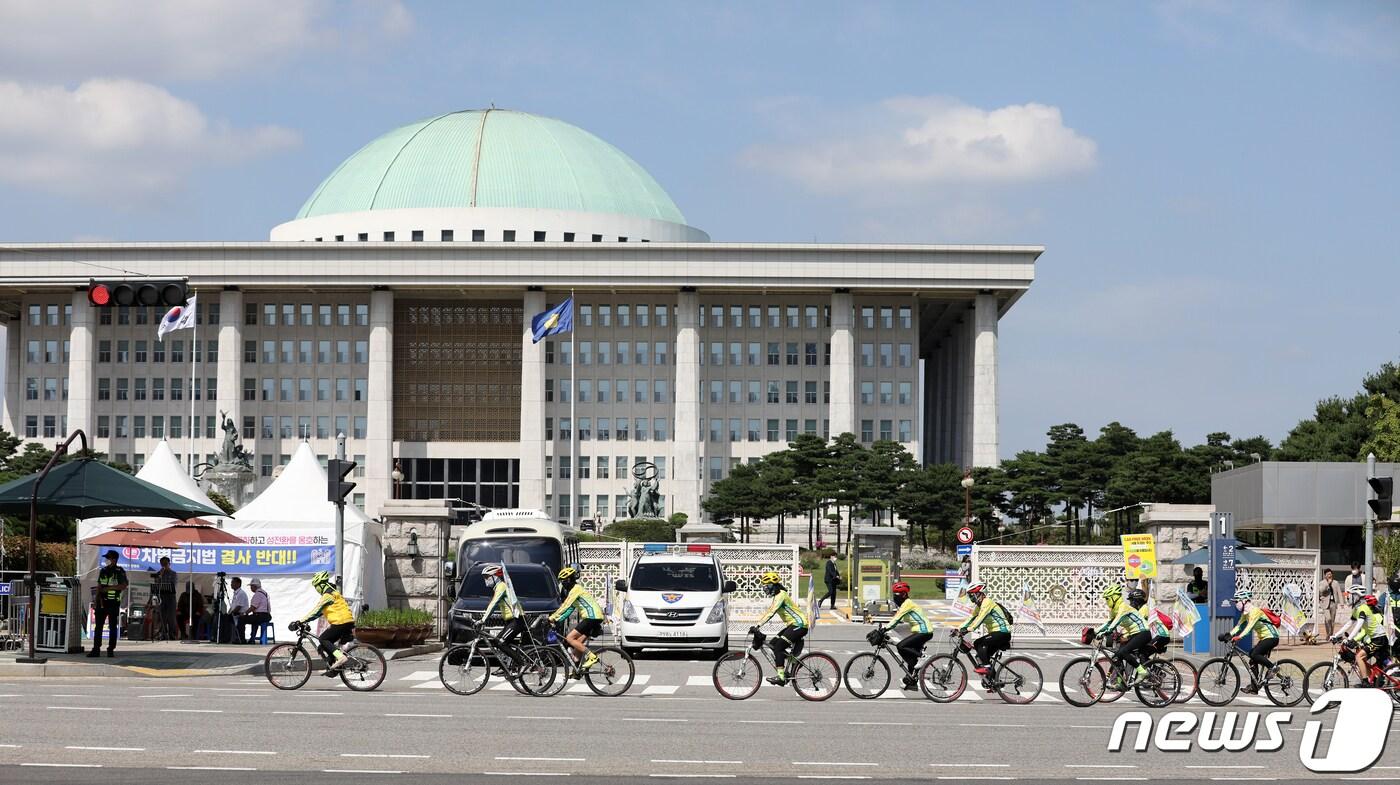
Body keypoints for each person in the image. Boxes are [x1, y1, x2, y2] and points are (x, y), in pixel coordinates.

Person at [751, 570, 808, 686]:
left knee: (778, 647)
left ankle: (781, 677)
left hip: (800, 625)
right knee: (773, 644)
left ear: (773, 585)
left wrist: (758, 625)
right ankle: (795, 662)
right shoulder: (778, 595)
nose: (765, 588)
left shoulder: (781, 595)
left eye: (767, 585)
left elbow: (771, 611)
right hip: (793, 625)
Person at [293, 570, 355, 675]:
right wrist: (307, 620)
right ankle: (334, 669)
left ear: (321, 585)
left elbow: (316, 611)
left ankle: (341, 658)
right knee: (324, 645)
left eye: (316, 586)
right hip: (346, 621)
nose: (316, 589)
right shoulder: (333, 592)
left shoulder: (327, 595)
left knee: (323, 638)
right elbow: (319, 613)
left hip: (341, 622)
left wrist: (300, 621)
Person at [1219, 590, 1279, 694]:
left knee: (1255, 654)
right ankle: (1254, 687)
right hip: (1264, 638)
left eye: (1236, 601)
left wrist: (1239, 637)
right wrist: (1229, 634)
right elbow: (1239, 626)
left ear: (1244, 601)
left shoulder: (1255, 611)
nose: (1235, 604)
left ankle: (1273, 668)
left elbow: (1249, 627)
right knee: (1252, 658)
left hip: (1272, 637)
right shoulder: (1245, 614)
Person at [546, 566, 605, 671]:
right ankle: (577, 671)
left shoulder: (575, 590)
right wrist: (558, 620)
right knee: (578, 642)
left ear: (568, 580)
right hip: (595, 617)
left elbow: (566, 605)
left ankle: (592, 657)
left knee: (569, 638)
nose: (562, 584)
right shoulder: (576, 590)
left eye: (563, 582)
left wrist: (552, 617)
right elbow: (569, 610)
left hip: (592, 617)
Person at [1094, 584, 1150, 688]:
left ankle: (1142, 672)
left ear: (1114, 597)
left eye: (1107, 599)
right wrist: (1095, 631)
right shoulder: (1114, 610)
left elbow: (1114, 623)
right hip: (1134, 634)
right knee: (1117, 656)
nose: (1106, 601)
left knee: (1124, 652)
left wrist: (1105, 633)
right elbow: (1108, 622)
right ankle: (1121, 683)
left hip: (1143, 632)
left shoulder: (1123, 607)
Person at [879, 580, 931, 689]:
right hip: (918, 632)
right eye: (894, 595)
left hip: (924, 631)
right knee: (910, 656)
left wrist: (885, 628)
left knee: (901, 646)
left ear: (904, 594)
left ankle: (923, 657)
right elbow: (899, 622)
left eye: (897, 595)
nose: (895, 598)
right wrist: (890, 635)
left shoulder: (907, 604)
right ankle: (912, 682)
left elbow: (896, 619)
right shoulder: (904, 605)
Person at [957, 582, 1013, 682]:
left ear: (980, 593)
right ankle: (995, 682)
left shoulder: (987, 602)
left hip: (1002, 632)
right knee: (981, 655)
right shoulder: (979, 606)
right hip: (995, 633)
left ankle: (987, 667)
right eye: (969, 596)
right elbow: (971, 618)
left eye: (972, 595)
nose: (971, 598)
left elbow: (980, 618)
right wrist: (958, 628)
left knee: (979, 643)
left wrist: (969, 629)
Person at [1333, 586, 1387, 683]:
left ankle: (1365, 682)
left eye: (1349, 595)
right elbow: (1349, 624)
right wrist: (1335, 635)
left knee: (1359, 657)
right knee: (1358, 659)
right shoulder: (1356, 609)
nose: (1347, 598)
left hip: (1379, 639)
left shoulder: (1363, 608)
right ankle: (1374, 680)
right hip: (1375, 639)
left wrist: (1350, 639)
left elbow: (1359, 625)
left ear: (1356, 596)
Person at [481, 564, 527, 659]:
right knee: (496, 642)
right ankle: (505, 667)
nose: (485, 580)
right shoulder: (498, 587)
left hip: (516, 620)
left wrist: (483, 620)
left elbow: (493, 603)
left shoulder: (501, 586)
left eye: (487, 577)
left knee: (501, 643)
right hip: (510, 621)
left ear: (495, 577)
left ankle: (521, 663)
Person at [88, 550, 127, 658]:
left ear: (114, 559)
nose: (106, 560)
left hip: (114, 602)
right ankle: (96, 649)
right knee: (98, 626)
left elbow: (123, 586)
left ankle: (111, 649)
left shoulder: (120, 571)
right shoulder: (103, 570)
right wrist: (96, 600)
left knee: (112, 626)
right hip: (102, 602)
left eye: (108, 558)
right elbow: (99, 585)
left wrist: (109, 588)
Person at [1129, 589, 1172, 657]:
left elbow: (1134, 624)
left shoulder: (1144, 609)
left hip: (1161, 636)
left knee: (1143, 654)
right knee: (1140, 651)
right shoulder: (1142, 609)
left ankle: (1148, 666)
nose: (1130, 603)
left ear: (1137, 601)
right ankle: (1149, 666)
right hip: (1155, 636)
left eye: (1131, 601)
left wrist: (1125, 635)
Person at [152, 556, 178, 640]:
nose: (164, 566)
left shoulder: (173, 573)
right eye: (162, 564)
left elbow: (173, 584)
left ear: (169, 564)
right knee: (162, 616)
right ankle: (162, 634)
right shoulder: (158, 573)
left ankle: (172, 635)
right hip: (161, 596)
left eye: (166, 564)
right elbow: (156, 584)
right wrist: (160, 576)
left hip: (171, 597)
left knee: (171, 617)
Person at [241, 578, 272, 644]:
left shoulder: (257, 594)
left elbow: (253, 607)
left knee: (241, 619)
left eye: (251, 586)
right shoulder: (265, 593)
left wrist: (245, 613)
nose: (251, 588)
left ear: (255, 586)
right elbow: (268, 608)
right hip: (267, 616)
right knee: (254, 620)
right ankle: (252, 639)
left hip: (260, 615)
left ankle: (242, 639)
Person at [1317, 568, 1340, 640]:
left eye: (1330, 574)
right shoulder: (1322, 583)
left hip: (1333, 603)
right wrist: (1328, 584)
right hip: (1325, 603)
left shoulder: (1336, 582)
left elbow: (1339, 592)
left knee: (1332, 620)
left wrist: (1341, 603)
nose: (1329, 575)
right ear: (1325, 576)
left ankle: (1330, 635)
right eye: (1328, 574)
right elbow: (1321, 590)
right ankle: (1328, 633)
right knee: (1328, 619)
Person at [226, 577, 249, 644]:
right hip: (235, 612)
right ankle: (232, 638)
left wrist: (231, 613)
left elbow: (239, 606)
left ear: (238, 584)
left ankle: (238, 638)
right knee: (224, 618)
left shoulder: (241, 593)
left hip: (240, 613)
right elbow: (233, 605)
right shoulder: (236, 593)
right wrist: (229, 612)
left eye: (233, 583)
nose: (231, 584)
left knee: (229, 619)